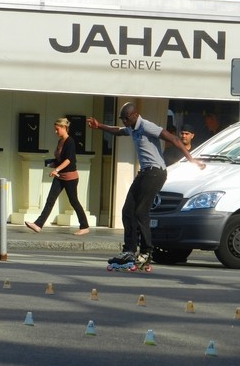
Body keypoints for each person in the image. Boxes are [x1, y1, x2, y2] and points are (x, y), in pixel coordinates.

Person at [87, 103, 205, 264]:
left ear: (134, 115)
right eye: (123, 119)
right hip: (145, 173)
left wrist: (192, 160)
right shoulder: (132, 127)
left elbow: (174, 139)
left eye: (126, 119)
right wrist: (99, 125)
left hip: (156, 172)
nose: (124, 122)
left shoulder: (147, 126)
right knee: (127, 210)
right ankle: (129, 250)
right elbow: (118, 131)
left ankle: (146, 252)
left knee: (141, 212)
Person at [25, 117, 90, 236]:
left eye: (57, 129)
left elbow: (69, 160)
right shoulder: (60, 141)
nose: (55, 132)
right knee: (50, 200)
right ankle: (38, 224)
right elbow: (60, 159)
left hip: (70, 177)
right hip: (60, 176)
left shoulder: (70, 141)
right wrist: (52, 164)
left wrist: (56, 169)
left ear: (64, 128)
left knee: (74, 201)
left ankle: (85, 226)